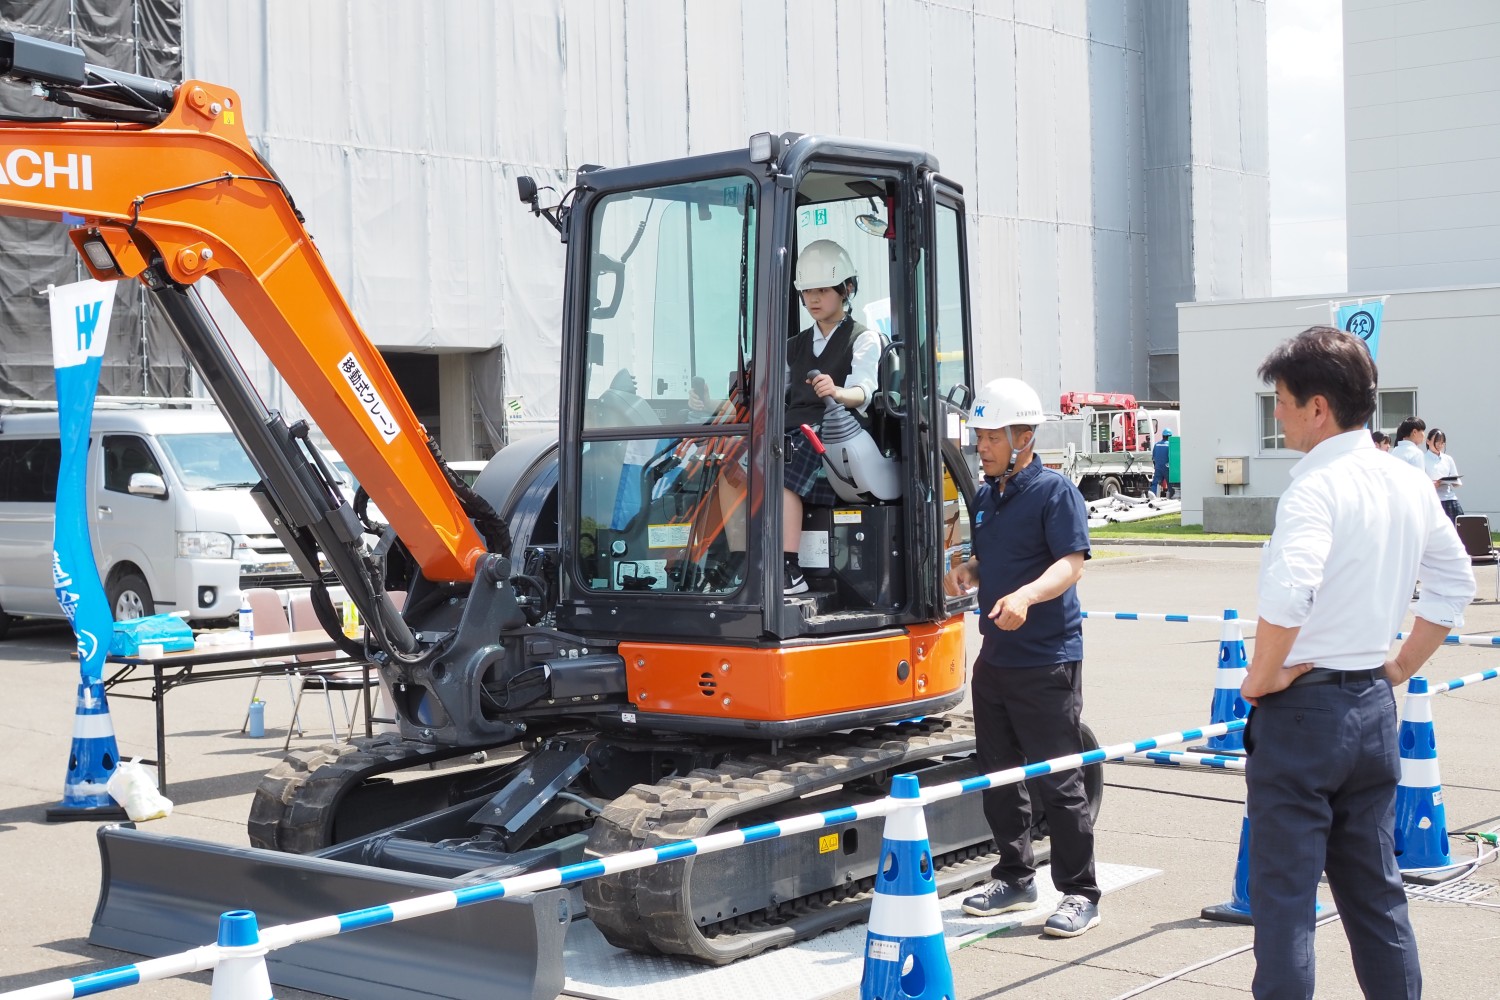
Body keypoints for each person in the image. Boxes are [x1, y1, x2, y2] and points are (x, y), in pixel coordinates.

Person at [1240, 326, 1474, 1000]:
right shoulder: (1405, 480)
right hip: (1372, 708)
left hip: (1305, 713)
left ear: (1318, 407)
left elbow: (1290, 591)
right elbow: (1456, 584)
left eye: (1281, 401)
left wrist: (1262, 676)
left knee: (1284, 904)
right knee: (1377, 898)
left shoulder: (1314, 488)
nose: (1276, 413)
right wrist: (1399, 666)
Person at [943, 377, 1100, 938]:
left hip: (1047, 657)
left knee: (1058, 780)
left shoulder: (1055, 492)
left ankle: (1081, 891)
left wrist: (1028, 596)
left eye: (989, 437)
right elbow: (997, 561)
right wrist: (973, 572)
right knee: (999, 775)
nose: (979, 446)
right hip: (997, 658)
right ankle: (1015, 876)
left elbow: (1070, 564)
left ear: (1023, 437)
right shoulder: (988, 496)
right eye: (978, 436)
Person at [778, 239, 882, 595]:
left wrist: (837, 392)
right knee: (732, 464)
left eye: (822, 290)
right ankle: (738, 561)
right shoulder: (792, 346)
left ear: (846, 289)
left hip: (837, 430)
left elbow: (863, 391)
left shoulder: (864, 338)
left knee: (782, 464)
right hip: (794, 427)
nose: (813, 300)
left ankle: (788, 569)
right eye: (807, 292)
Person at [1425, 428, 1463, 522]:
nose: (1439, 445)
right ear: (1428, 441)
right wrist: (1432, 484)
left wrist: (1454, 481)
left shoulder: (1448, 459)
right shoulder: (1422, 458)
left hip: (1450, 498)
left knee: (1459, 528)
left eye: (1442, 442)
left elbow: (1456, 481)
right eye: (1437, 441)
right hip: (1433, 500)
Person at [1151, 428, 1173, 498]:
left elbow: (1153, 457)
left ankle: (1152, 496)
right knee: (1170, 484)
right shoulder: (1170, 445)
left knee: (1155, 483)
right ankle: (1172, 498)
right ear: (1169, 436)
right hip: (1167, 467)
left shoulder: (1156, 445)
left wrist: (1156, 465)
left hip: (1158, 467)